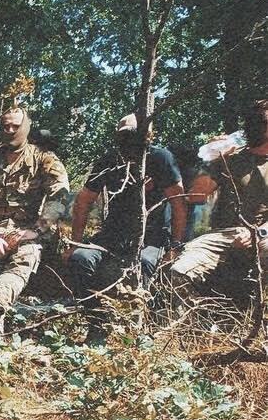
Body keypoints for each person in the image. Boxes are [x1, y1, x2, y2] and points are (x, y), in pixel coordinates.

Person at [64, 114, 186, 341]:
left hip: (154, 238)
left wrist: (175, 246)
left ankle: (140, 330)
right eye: (123, 136)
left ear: (148, 136)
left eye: (134, 135)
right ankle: (97, 322)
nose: (128, 141)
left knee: (145, 264)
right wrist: (75, 242)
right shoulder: (110, 160)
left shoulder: (161, 158)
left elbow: (178, 203)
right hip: (113, 235)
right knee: (80, 259)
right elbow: (83, 201)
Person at [0, 106, 70, 338]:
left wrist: (35, 230)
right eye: (5, 126)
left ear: (26, 127)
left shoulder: (43, 159)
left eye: (16, 126)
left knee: (23, 261)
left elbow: (59, 196)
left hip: (26, 234)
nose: (10, 130)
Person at [166, 99, 268, 298]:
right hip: (222, 235)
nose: (254, 128)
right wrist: (212, 159)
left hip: (263, 234)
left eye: (261, 123)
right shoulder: (232, 157)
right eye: (254, 122)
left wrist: (259, 232)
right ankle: (188, 325)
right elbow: (195, 196)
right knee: (178, 272)